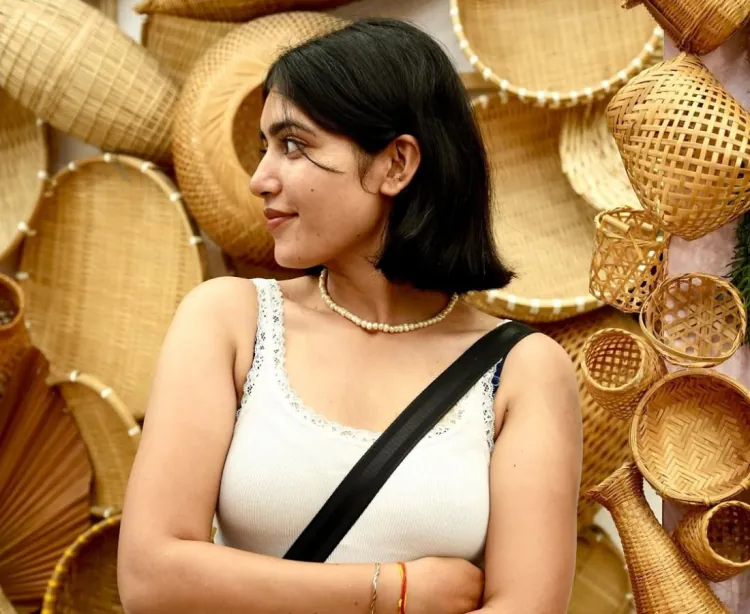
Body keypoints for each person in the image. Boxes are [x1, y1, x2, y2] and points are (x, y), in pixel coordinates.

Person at [117, 17, 582, 614]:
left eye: (293, 145)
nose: (260, 179)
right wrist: (392, 589)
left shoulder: (522, 370)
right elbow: (151, 578)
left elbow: (527, 607)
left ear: (396, 164)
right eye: (264, 149)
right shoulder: (230, 321)